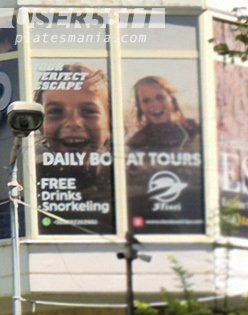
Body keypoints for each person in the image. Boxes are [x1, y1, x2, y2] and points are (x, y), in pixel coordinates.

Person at [36, 63, 114, 230]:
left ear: (111, 120)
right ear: (41, 125)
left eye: (88, 111)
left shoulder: (129, 182)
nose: (73, 123)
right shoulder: (30, 183)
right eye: (56, 112)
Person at [126, 75, 200, 151]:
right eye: (146, 100)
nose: (154, 105)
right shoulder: (136, 143)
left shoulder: (195, 130)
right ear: (139, 106)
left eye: (160, 97)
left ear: (172, 99)